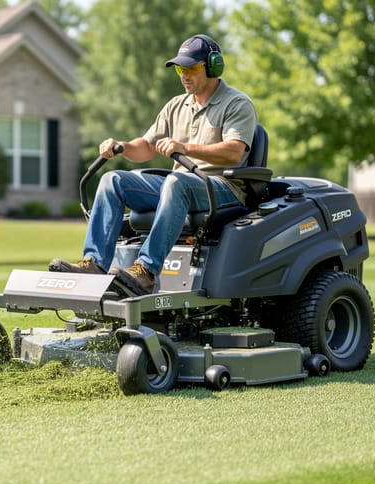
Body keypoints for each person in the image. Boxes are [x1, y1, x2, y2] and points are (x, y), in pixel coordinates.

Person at [50, 34, 258, 295]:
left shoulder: (237, 103)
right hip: (181, 187)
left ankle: (146, 271)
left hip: (222, 188)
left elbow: (234, 152)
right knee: (113, 180)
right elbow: (146, 147)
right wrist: (122, 147)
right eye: (181, 69)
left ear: (213, 67)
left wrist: (185, 148)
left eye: (192, 68)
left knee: (175, 182)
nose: (185, 75)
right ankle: (95, 264)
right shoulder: (176, 105)